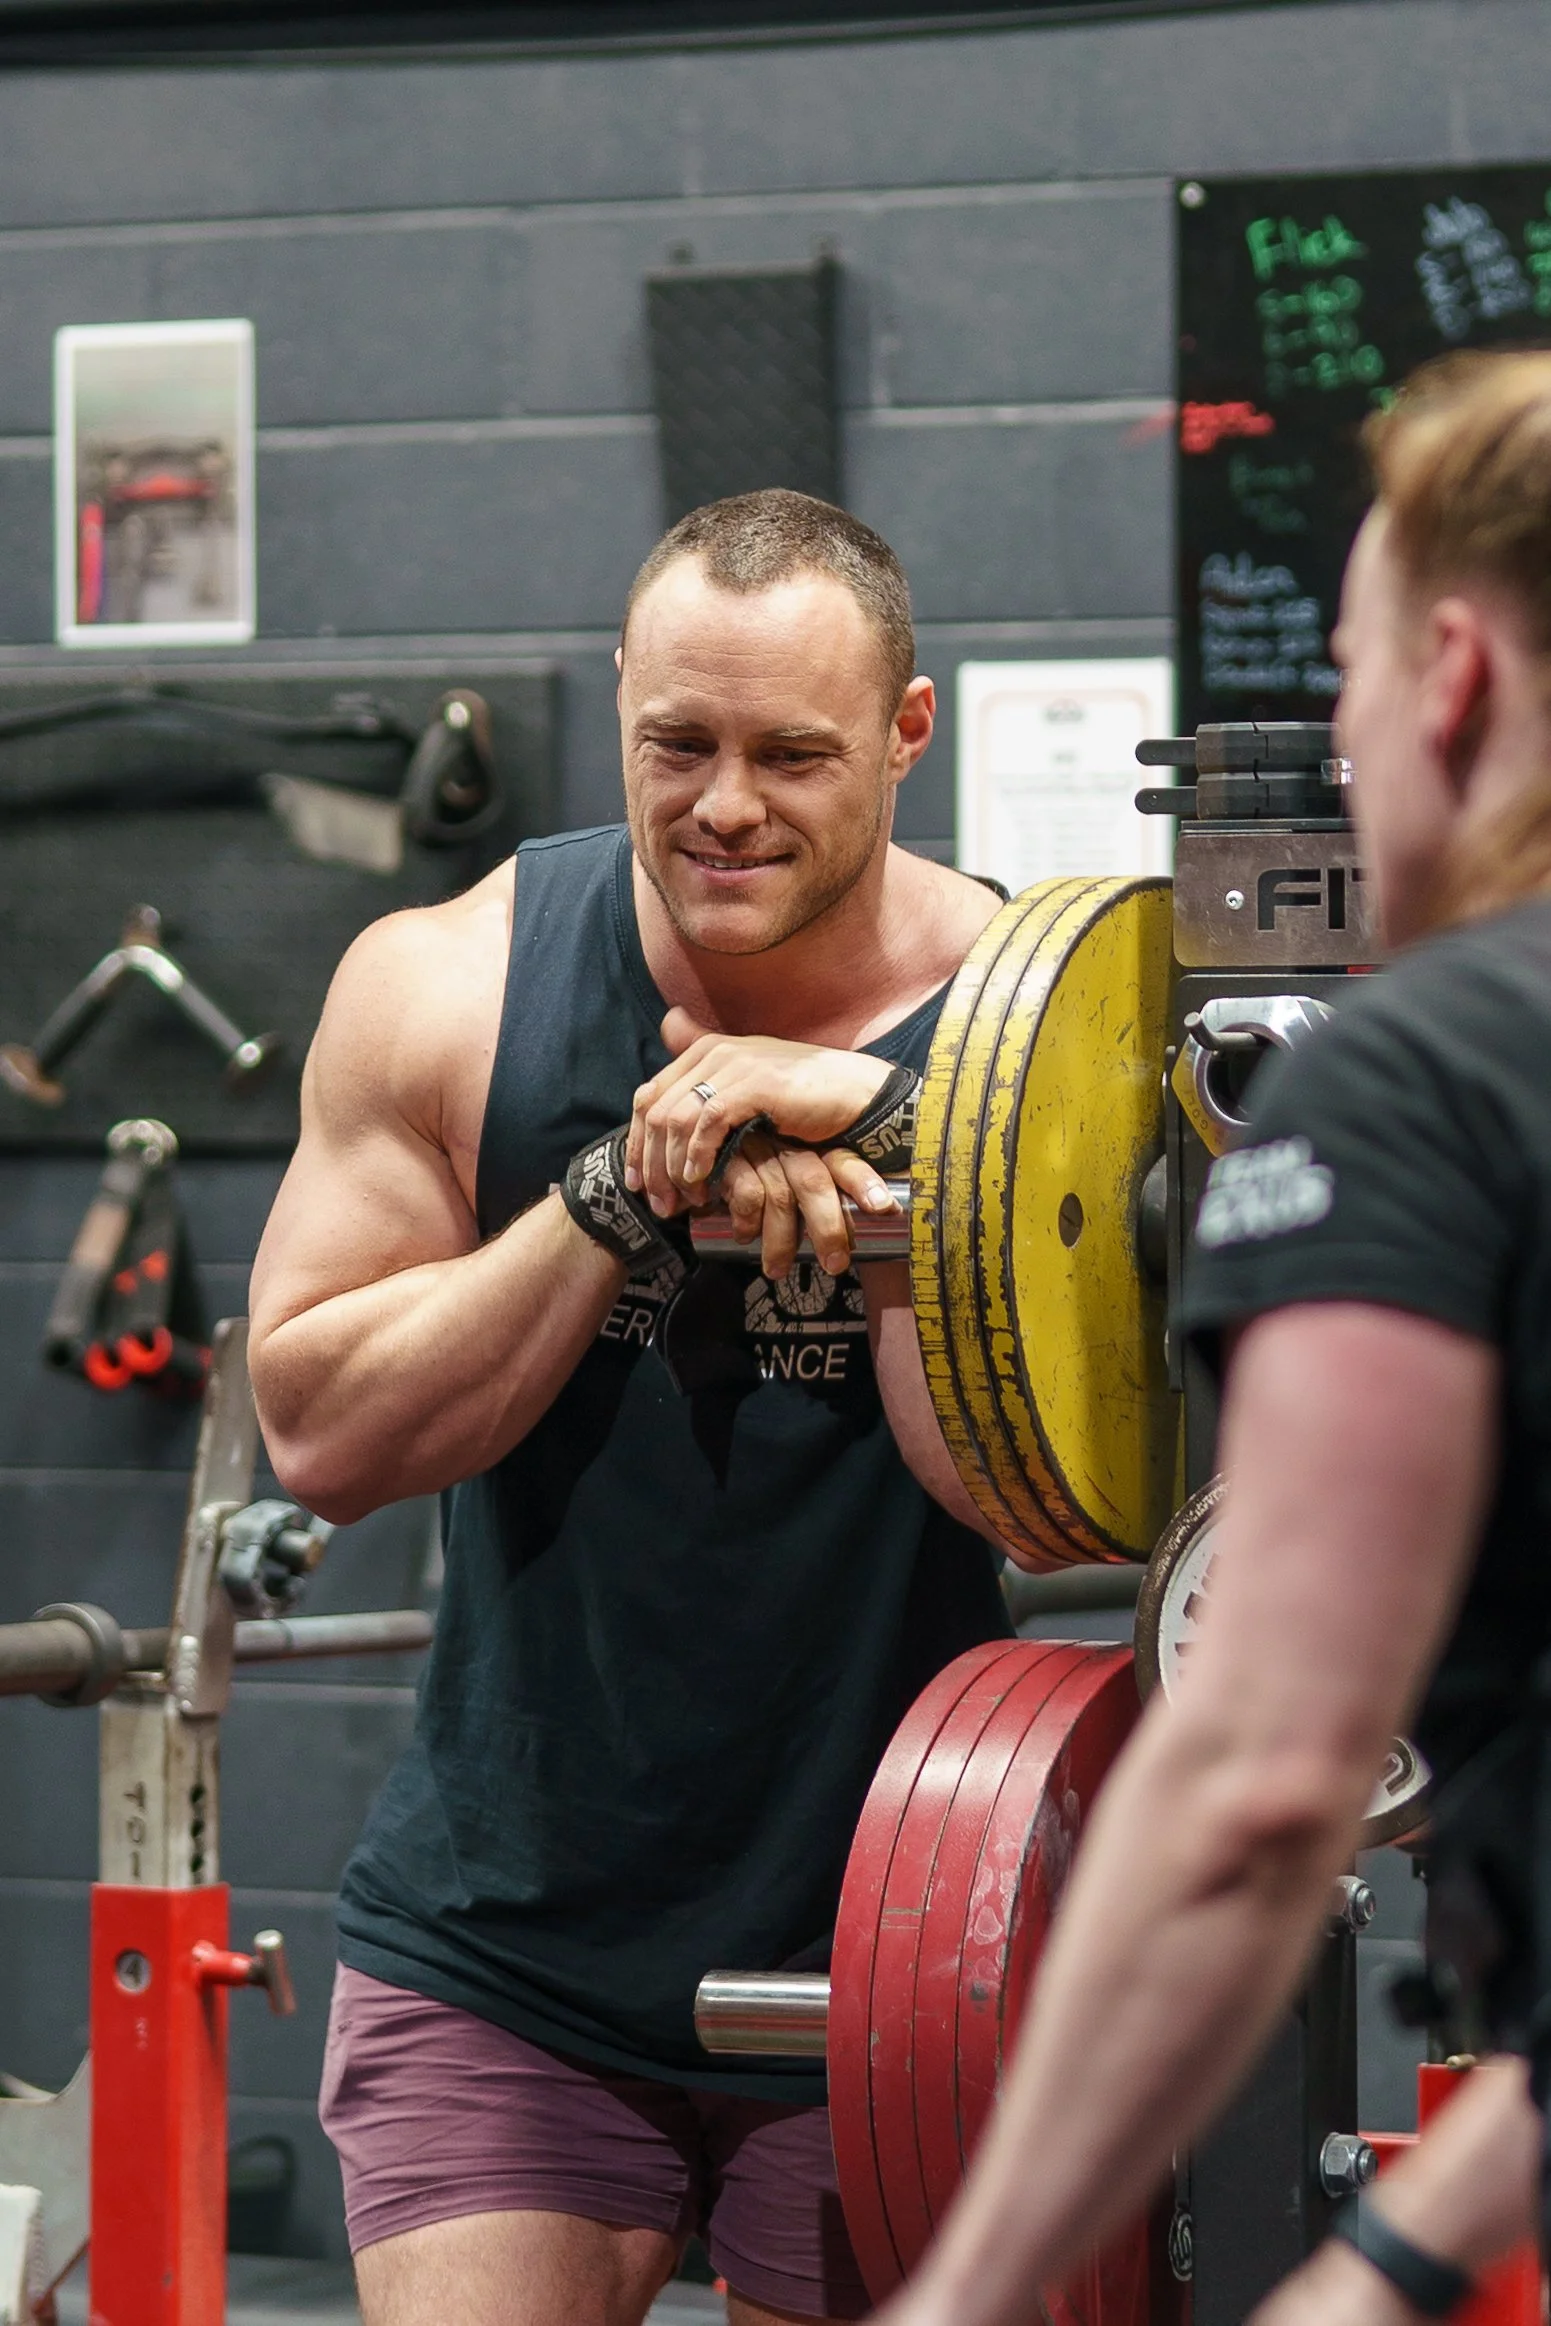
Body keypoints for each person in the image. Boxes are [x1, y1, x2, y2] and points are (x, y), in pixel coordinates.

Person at [247, 488, 1024, 2326]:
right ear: (618, 699)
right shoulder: (444, 984)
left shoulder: (1025, 1029)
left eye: (790, 753)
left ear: (909, 736)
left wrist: (905, 1170)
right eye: (679, 740)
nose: (725, 803)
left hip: (894, 1942)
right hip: (501, 1937)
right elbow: (319, 1431)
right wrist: (608, 1200)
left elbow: (1048, 1509)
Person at [872, 349, 1551, 2326]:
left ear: (1445, 673)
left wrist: (966, 2289)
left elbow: (1260, 1775)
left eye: (1342, 680)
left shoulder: (1427, 1071)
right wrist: (1405, 2255)